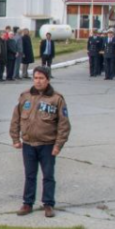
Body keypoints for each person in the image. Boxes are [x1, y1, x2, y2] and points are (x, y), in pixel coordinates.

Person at [10, 66, 71, 218]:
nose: (38, 81)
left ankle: (48, 204)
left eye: (41, 78)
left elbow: (64, 125)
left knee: (48, 175)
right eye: (36, 78)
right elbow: (16, 118)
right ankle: (27, 203)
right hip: (29, 144)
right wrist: (15, 138)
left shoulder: (56, 99)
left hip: (47, 145)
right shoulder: (25, 96)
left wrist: (58, 145)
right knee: (30, 175)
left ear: (48, 80)